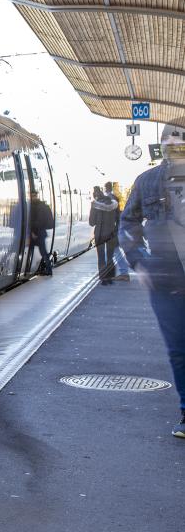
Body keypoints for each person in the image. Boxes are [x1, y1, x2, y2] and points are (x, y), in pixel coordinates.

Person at [120, 119, 185, 439]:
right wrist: (140, 262)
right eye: (171, 138)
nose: (177, 143)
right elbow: (128, 222)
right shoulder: (147, 181)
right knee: (178, 349)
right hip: (166, 281)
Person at [89, 186, 119, 284]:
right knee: (110, 257)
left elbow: (92, 222)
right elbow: (118, 219)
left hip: (100, 234)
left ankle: (103, 279)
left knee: (101, 257)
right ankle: (110, 279)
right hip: (111, 234)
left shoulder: (95, 205)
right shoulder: (113, 204)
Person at [104, 181, 129, 280]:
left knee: (114, 251)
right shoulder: (113, 198)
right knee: (113, 251)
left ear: (106, 188)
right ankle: (122, 272)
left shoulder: (110, 199)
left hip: (112, 229)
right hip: (114, 228)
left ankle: (123, 272)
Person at [30, 190, 55, 276]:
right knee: (43, 252)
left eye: (33, 196)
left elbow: (38, 221)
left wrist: (34, 232)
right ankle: (48, 269)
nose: (33, 198)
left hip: (38, 233)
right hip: (41, 232)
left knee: (43, 252)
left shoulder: (37, 207)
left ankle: (49, 270)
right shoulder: (42, 205)